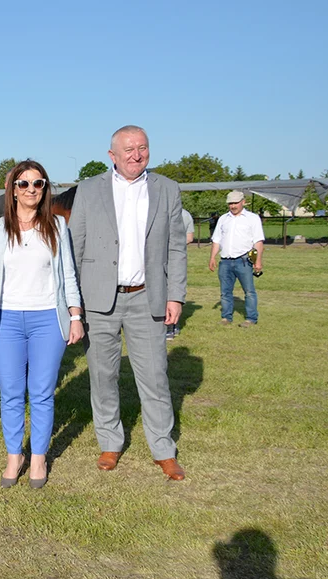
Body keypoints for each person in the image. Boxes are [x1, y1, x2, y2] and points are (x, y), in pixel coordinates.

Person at [69, 125, 188, 481]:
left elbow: (177, 247)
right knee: (102, 375)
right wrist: (72, 302)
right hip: (98, 300)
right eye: (129, 149)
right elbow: (75, 246)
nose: (137, 155)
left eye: (143, 148)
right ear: (112, 156)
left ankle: (163, 448)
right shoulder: (89, 190)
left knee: (154, 375)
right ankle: (110, 442)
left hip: (146, 298)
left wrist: (175, 294)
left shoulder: (167, 189)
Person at [0, 161, 83, 489]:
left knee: (42, 392)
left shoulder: (58, 227)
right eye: (24, 184)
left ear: (45, 188)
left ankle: (38, 458)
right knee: (10, 393)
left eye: (38, 183)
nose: (31, 189)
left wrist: (75, 317)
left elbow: (69, 276)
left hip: (48, 319)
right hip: (6, 321)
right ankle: (13, 455)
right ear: (13, 190)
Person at [209, 190, 264, 327]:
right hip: (225, 261)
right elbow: (217, 240)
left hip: (244, 260)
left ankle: (251, 318)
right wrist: (212, 257)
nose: (233, 206)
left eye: (235, 203)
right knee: (225, 292)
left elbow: (258, 242)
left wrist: (258, 261)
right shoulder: (223, 219)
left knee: (249, 291)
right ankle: (226, 317)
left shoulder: (252, 218)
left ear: (243, 202)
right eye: (230, 203)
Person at [166, 208, 195, 339]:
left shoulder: (160, 210)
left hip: (161, 258)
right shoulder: (186, 214)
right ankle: (174, 325)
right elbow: (189, 238)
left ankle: (169, 326)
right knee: (175, 290)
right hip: (177, 258)